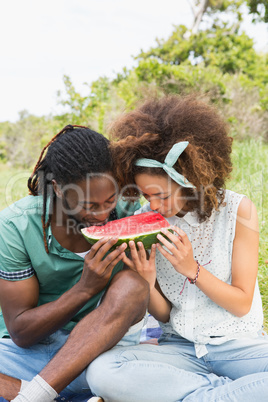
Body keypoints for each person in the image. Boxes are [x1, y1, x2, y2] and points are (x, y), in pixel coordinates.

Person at [84, 95, 268, 401]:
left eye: (162, 195)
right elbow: (166, 316)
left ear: (190, 180)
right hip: (181, 349)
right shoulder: (147, 221)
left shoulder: (240, 211)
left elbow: (240, 304)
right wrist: (146, 280)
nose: (153, 206)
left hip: (238, 346)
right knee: (102, 370)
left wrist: (190, 269)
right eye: (145, 194)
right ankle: (220, 394)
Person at [0, 125, 149, 401]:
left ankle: (31, 395)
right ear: (57, 188)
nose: (104, 214)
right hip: (28, 354)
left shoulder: (131, 213)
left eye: (110, 199)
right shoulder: (15, 226)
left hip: (99, 350)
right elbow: (20, 332)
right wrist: (86, 288)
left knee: (132, 284)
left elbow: (134, 300)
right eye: (90, 206)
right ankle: (49, 392)